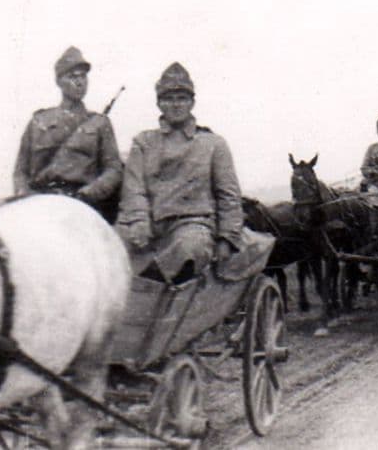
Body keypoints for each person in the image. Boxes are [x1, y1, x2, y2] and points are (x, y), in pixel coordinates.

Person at [116, 62, 243, 284]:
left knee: (190, 247)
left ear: (192, 102)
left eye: (182, 99)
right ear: (159, 103)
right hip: (150, 225)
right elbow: (134, 190)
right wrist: (138, 221)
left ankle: (150, 290)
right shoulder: (144, 142)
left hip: (193, 224)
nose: (176, 105)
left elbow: (229, 196)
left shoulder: (213, 144)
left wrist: (226, 239)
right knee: (109, 243)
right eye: (169, 99)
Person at [13, 46, 123, 221]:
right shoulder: (38, 122)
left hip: (82, 205)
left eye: (83, 76)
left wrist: (89, 193)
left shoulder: (100, 123)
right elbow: (21, 171)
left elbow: (114, 170)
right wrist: (26, 199)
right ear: (59, 81)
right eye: (72, 76)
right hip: (40, 205)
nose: (80, 82)